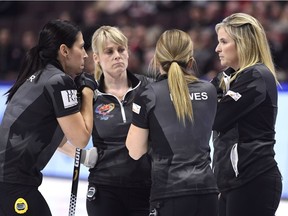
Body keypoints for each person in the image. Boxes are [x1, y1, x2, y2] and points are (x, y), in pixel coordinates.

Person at [0, 19, 97, 216]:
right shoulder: (59, 81)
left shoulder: (39, 75)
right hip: (13, 185)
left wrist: (83, 157)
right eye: (81, 47)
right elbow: (81, 138)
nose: (86, 54)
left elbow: (49, 134)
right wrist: (87, 91)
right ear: (64, 50)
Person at [60, 25, 152, 216]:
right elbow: (53, 137)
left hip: (147, 188)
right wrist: (82, 156)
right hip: (105, 190)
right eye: (109, 51)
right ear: (96, 58)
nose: (117, 55)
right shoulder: (88, 94)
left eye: (121, 49)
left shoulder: (148, 88)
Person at [126, 29, 219, 216]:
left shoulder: (148, 95)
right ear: (191, 61)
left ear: (156, 60)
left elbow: (135, 151)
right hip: (207, 192)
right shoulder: (209, 90)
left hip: (169, 193)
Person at [211, 13, 283, 216]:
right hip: (230, 182)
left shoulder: (256, 76)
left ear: (243, 43)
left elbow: (215, 118)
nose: (217, 49)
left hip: (253, 179)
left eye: (224, 42)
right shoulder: (226, 78)